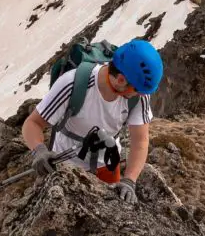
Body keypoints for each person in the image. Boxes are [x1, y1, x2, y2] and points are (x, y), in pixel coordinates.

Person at [22, 39, 163, 203]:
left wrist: (129, 181)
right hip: (65, 164)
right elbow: (33, 123)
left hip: (108, 162)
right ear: (121, 80)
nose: (140, 94)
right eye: (137, 90)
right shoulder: (73, 83)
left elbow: (140, 142)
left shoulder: (139, 97)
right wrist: (39, 151)